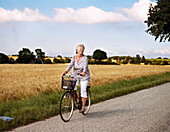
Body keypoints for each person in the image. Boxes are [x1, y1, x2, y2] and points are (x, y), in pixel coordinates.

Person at [63, 44, 90, 113]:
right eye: (80, 49)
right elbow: (70, 65)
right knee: (73, 87)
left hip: (84, 76)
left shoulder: (85, 58)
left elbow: (85, 66)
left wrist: (84, 72)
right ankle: (77, 100)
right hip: (75, 75)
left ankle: (83, 107)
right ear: (76, 50)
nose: (81, 50)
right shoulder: (74, 57)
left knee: (83, 89)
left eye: (82, 49)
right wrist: (66, 71)